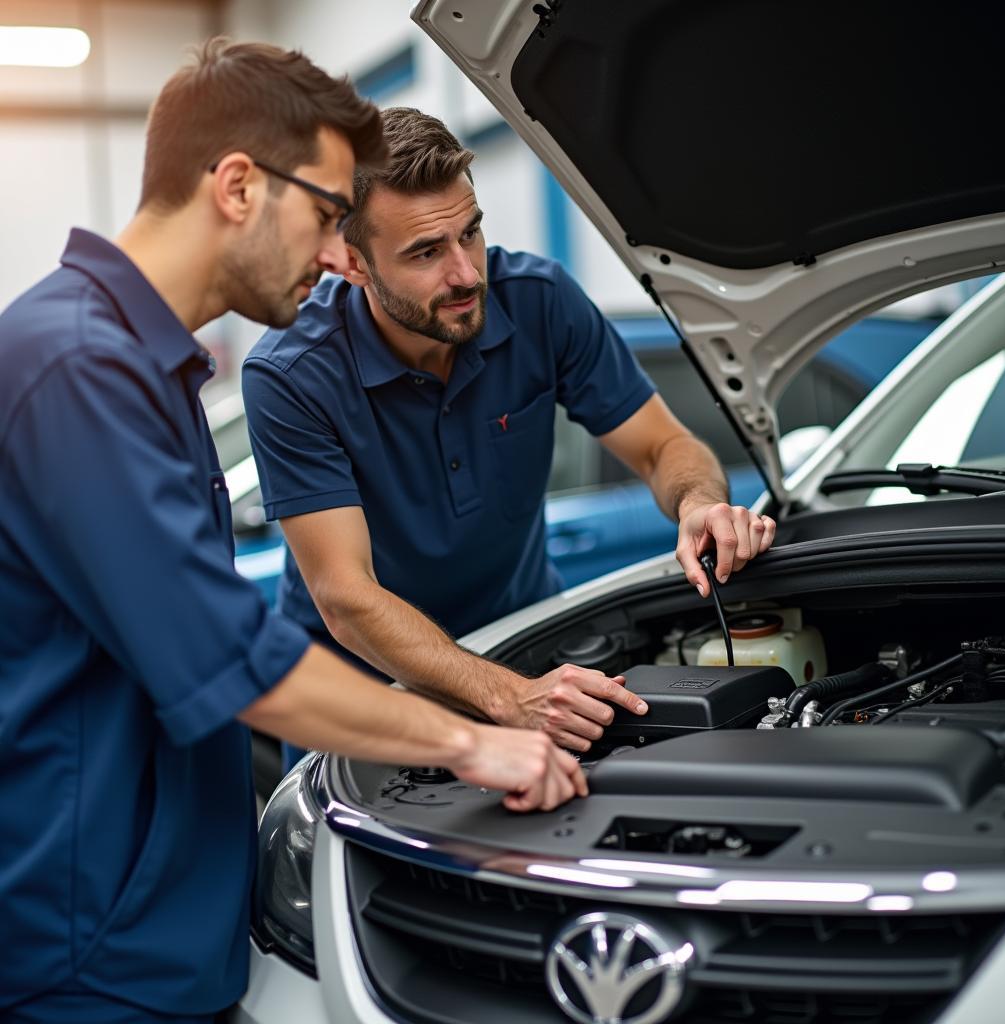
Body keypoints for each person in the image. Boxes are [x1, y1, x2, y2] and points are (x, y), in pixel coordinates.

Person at [0, 42, 586, 1024]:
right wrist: (474, 741)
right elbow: (235, 659)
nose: (331, 256)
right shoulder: (73, 366)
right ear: (236, 184)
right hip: (86, 952)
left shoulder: (144, 369)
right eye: (324, 215)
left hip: (161, 929)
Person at [243, 107, 776, 772]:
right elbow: (346, 596)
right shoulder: (291, 374)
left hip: (526, 647)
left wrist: (698, 502)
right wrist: (507, 699)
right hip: (363, 692)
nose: (466, 273)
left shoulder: (539, 301)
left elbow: (661, 446)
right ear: (352, 262)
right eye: (426, 253)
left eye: (470, 233)